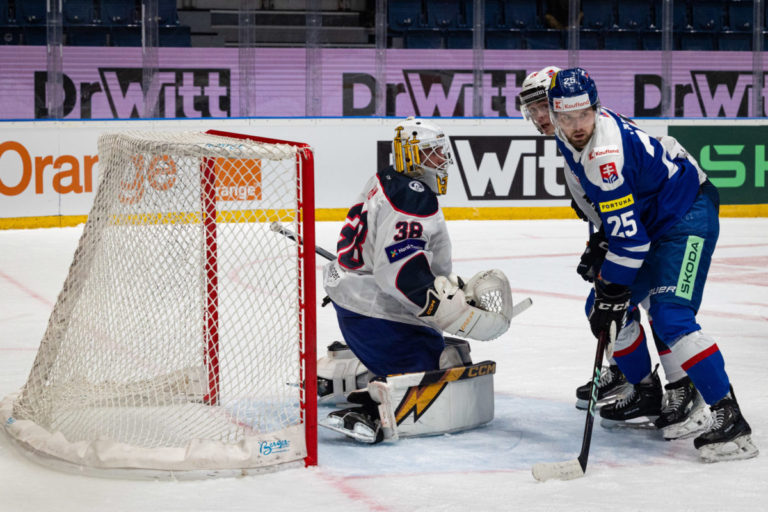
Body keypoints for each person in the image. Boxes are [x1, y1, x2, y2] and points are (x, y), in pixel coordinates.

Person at [545, 67, 759, 462]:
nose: (577, 126)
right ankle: (646, 392)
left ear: (596, 107)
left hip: (687, 214)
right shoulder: (569, 137)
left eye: (584, 115)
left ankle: (729, 419)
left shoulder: (604, 155)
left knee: (670, 316)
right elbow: (616, 213)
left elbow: (631, 240)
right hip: (653, 218)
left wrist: (612, 282)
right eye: (567, 117)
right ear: (556, 116)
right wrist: (602, 245)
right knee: (603, 310)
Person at [518, 66, 708, 441]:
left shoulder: (598, 137)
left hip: (665, 217)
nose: (540, 117)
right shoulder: (571, 133)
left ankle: (679, 384)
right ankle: (636, 378)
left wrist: (615, 244)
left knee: (655, 302)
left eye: (544, 106)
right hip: (640, 222)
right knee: (613, 300)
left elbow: (625, 193)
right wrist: (603, 239)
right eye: (534, 109)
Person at [319, 117, 516, 444]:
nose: (441, 161)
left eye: (441, 152)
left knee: (448, 353)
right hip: (375, 309)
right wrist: (443, 307)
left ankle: (340, 374)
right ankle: (371, 410)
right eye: (432, 153)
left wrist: (441, 286)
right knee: (433, 372)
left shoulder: (387, 179)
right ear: (410, 155)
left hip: (359, 301)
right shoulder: (413, 195)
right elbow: (397, 271)